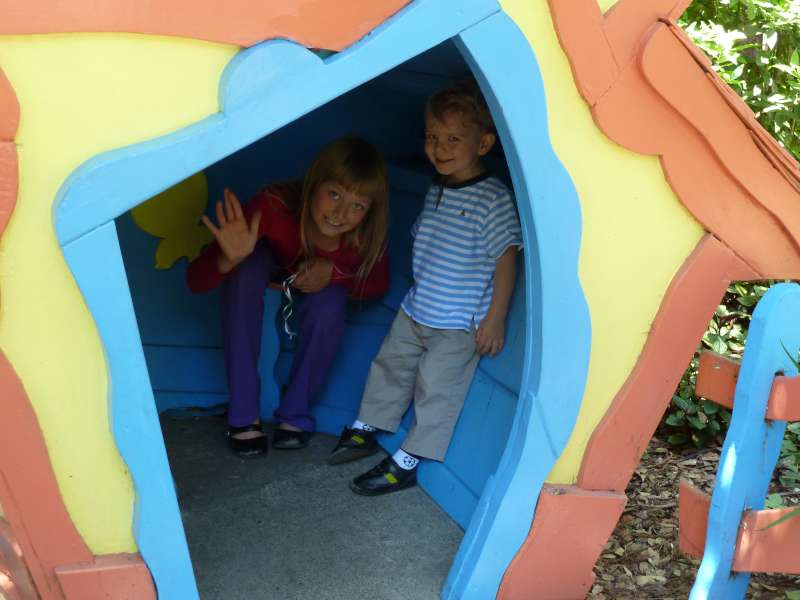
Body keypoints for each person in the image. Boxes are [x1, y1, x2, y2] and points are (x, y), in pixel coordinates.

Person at [328, 81, 522, 495]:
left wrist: (495, 318)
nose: (439, 148)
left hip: (458, 322)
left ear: (484, 143)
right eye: (433, 137)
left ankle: (410, 458)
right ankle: (369, 425)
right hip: (417, 308)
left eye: (454, 139)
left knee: (437, 387)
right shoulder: (438, 187)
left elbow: (507, 258)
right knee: (389, 365)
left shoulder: (493, 199)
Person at [188, 137, 390, 457]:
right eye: (334, 194)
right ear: (314, 183)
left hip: (313, 283)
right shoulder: (272, 207)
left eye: (358, 205)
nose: (340, 213)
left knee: (330, 303)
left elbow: (378, 283)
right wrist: (228, 259)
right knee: (244, 271)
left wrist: (334, 272)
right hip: (265, 267)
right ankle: (244, 416)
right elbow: (195, 281)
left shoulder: (363, 235)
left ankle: (295, 414)